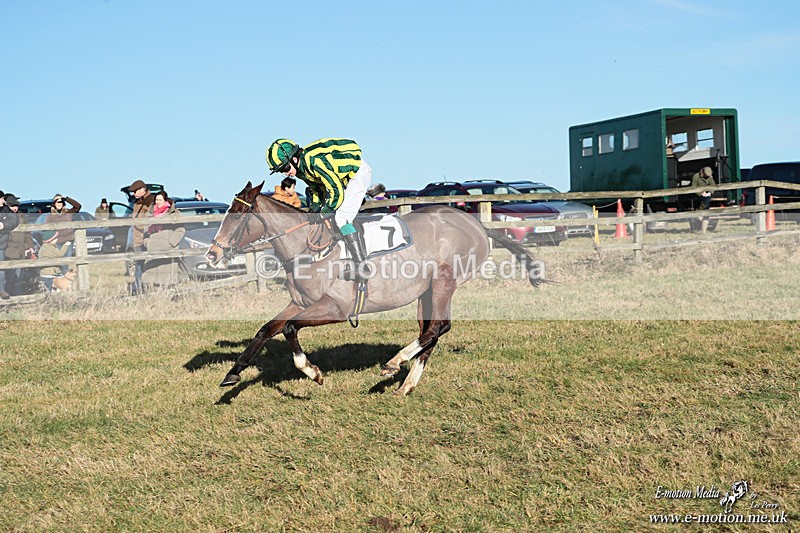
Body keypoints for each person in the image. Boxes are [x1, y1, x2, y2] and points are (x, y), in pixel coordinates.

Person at [266, 138, 373, 281]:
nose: (285, 173)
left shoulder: (315, 162)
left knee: (341, 218)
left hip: (357, 174)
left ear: (295, 159)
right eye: (281, 171)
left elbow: (336, 190)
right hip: (343, 178)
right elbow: (317, 188)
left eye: (285, 168)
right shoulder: (301, 170)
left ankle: (362, 266)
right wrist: (315, 209)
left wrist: (325, 210)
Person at [3, 194, 37, 296]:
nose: (15, 208)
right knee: (8, 278)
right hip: (8, 252)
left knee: (18, 279)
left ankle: (16, 299)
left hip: (20, 252)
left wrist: (29, 246)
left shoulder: (22, 217)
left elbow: (27, 233)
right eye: (12, 205)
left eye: (16, 205)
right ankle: (9, 299)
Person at [126, 179, 155, 295]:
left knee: (144, 266)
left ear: (143, 190)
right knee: (138, 266)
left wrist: (139, 225)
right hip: (137, 239)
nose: (134, 194)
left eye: (135, 191)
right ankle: (138, 289)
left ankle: (140, 289)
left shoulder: (151, 202)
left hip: (147, 238)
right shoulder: (137, 203)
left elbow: (150, 220)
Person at [46, 193, 82, 274]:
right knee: (58, 262)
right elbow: (47, 230)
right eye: (57, 202)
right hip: (57, 242)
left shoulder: (68, 212)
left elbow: (78, 206)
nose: (59, 204)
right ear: (54, 204)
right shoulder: (50, 216)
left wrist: (66, 198)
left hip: (68, 241)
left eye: (61, 202)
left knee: (66, 261)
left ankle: (64, 280)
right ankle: (58, 279)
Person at [0, 192, 21, 299]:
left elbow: (14, 220)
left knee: (1, 269)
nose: (3, 201)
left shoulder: (5, 210)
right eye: (1, 199)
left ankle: (1, 289)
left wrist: (4, 225)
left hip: (1, 244)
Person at [690, 166, 715, 233]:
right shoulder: (696, 176)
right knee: (702, 211)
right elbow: (693, 187)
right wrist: (700, 193)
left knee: (706, 213)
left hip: (707, 196)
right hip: (698, 196)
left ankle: (703, 232)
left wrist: (710, 192)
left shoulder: (710, 177)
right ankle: (698, 216)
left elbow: (713, 185)